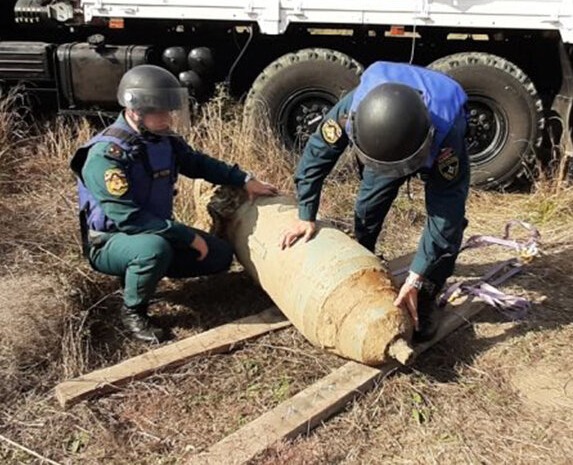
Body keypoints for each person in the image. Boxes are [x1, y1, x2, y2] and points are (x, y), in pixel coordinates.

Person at [70, 65, 278, 343]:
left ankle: (147, 269)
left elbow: (198, 163)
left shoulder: (162, 139)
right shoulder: (106, 156)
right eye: (161, 112)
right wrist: (185, 235)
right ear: (135, 111)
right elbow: (128, 219)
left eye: (170, 111)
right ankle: (134, 309)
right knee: (153, 250)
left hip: (153, 230)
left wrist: (243, 179)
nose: (169, 118)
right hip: (110, 241)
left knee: (219, 256)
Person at [280, 61, 470, 342]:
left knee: (448, 233)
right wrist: (306, 213)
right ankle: (364, 257)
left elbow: (445, 218)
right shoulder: (352, 111)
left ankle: (426, 292)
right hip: (386, 145)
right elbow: (317, 155)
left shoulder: (447, 136)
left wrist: (417, 277)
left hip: (431, 138)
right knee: (368, 206)